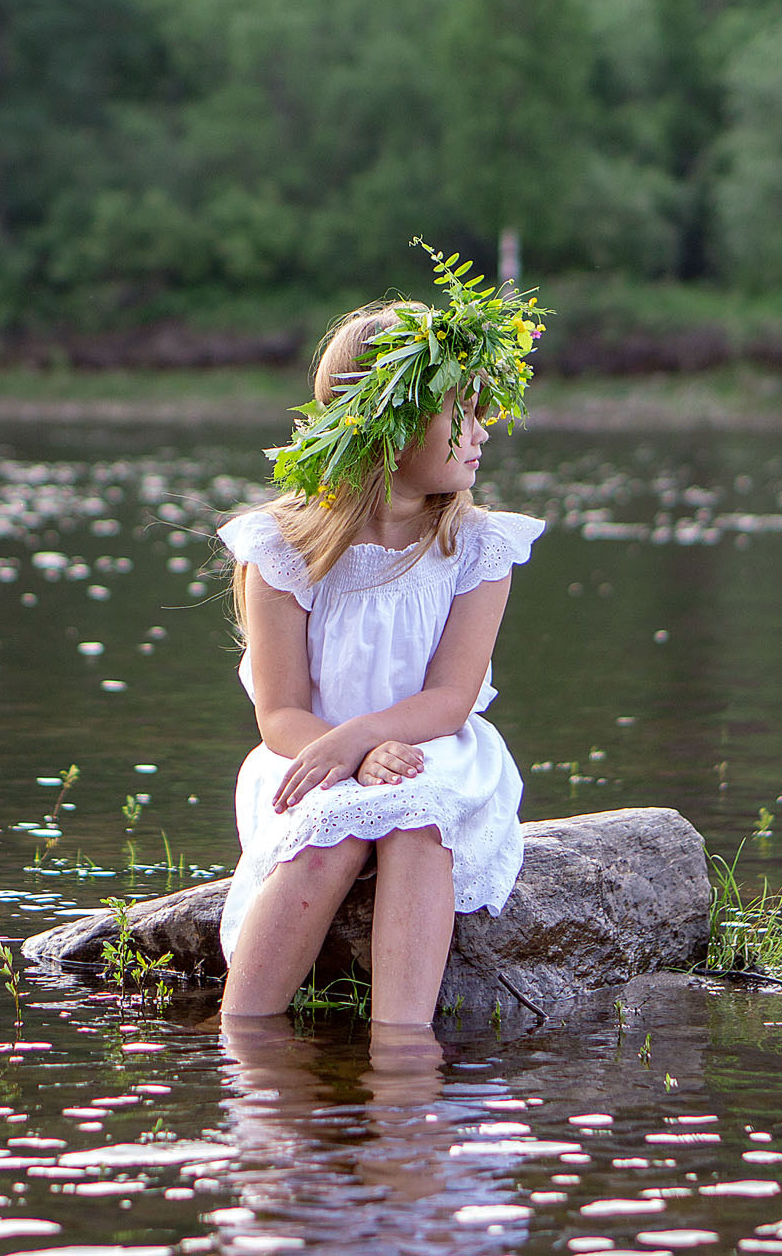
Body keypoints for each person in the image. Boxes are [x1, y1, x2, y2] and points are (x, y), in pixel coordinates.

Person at [216, 248, 549, 1027]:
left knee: (416, 816)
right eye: (459, 411)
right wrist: (348, 753)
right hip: (308, 752)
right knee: (328, 833)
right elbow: (281, 715)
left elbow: (450, 700)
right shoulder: (283, 549)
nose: (481, 431)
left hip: (433, 745)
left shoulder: (477, 548)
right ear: (388, 422)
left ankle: (402, 1053)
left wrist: (372, 743)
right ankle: (246, 1042)